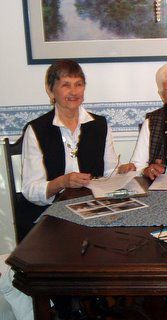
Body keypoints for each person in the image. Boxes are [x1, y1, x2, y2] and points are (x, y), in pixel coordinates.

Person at [22, 59, 118, 226]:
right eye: (66, 85)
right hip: (52, 215)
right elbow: (30, 190)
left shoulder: (100, 125)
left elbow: (111, 173)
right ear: (51, 91)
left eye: (78, 84)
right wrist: (61, 183)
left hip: (96, 210)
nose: (74, 92)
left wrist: (121, 171)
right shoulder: (36, 130)